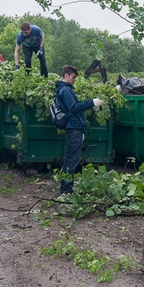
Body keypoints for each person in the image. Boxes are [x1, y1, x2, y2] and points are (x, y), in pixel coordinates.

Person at [55, 65, 103, 193]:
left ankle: (65, 188)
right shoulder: (66, 91)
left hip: (74, 127)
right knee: (72, 159)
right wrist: (92, 102)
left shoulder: (63, 89)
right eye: (73, 77)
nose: (75, 79)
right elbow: (74, 108)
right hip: (74, 127)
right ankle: (66, 190)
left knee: (70, 158)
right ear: (66, 76)